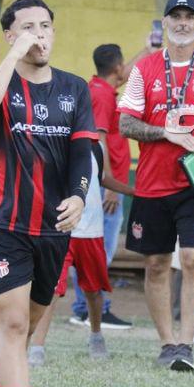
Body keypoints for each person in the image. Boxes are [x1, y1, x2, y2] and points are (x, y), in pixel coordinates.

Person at [0, 0, 95, 387]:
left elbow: (83, 151)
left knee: (27, 322)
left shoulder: (75, 89)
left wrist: (79, 195)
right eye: (28, 27)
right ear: (10, 35)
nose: (39, 34)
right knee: (15, 324)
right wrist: (12, 58)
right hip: (3, 222)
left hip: (53, 228)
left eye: (45, 26)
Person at [118, 0, 194, 372]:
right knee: (156, 264)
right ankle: (167, 342)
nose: (183, 23)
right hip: (153, 183)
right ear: (165, 23)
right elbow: (125, 123)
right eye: (176, 16)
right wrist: (165, 132)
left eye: (190, 16)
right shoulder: (146, 70)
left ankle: (186, 345)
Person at [68, 42, 147, 330]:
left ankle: (87, 307)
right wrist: (111, 186)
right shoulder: (101, 95)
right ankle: (86, 308)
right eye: (123, 65)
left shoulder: (100, 88)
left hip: (108, 182)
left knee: (98, 249)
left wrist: (148, 47)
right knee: (100, 251)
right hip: (106, 185)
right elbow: (98, 139)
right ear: (116, 68)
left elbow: (127, 73)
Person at [27, 145, 117, 363]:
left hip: (92, 231)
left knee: (93, 290)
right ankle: (36, 348)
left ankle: (96, 336)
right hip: (62, 228)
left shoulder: (96, 147)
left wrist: (132, 191)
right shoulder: (53, 142)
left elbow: (101, 178)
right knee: (52, 290)